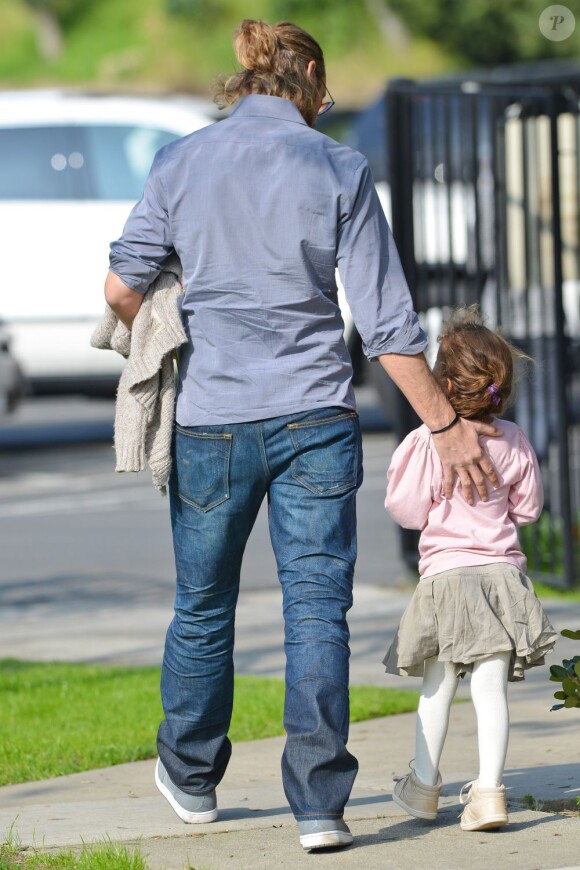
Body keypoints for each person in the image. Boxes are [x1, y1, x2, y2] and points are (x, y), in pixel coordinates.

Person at [103, 19, 499, 852]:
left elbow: (120, 287)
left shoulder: (181, 161)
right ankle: (319, 807)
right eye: (328, 87)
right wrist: (447, 425)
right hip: (316, 419)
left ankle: (191, 776)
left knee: (203, 607)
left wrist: (185, 316)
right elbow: (388, 325)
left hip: (212, 419)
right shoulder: (338, 167)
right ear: (309, 81)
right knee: (318, 613)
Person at [383, 307, 558, 832]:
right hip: (501, 579)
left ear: (442, 382)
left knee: (437, 685)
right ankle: (489, 793)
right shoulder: (514, 439)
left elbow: (407, 510)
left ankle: (423, 785)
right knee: (491, 689)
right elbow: (527, 509)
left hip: (446, 580)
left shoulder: (427, 442)